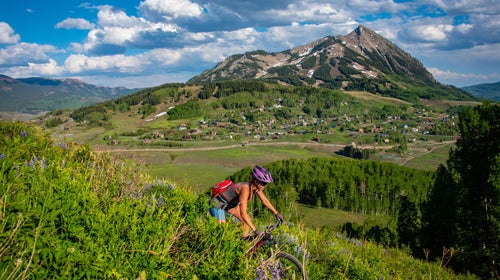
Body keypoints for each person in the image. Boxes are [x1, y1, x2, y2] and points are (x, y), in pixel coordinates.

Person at [209, 166, 284, 238]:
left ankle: (242, 244)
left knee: (246, 223)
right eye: (264, 183)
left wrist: (276, 213)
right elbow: (243, 213)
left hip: (230, 205)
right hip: (218, 204)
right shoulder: (245, 188)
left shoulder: (256, 188)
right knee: (223, 230)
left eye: (266, 184)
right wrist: (255, 230)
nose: (265, 186)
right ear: (256, 181)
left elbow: (265, 201)